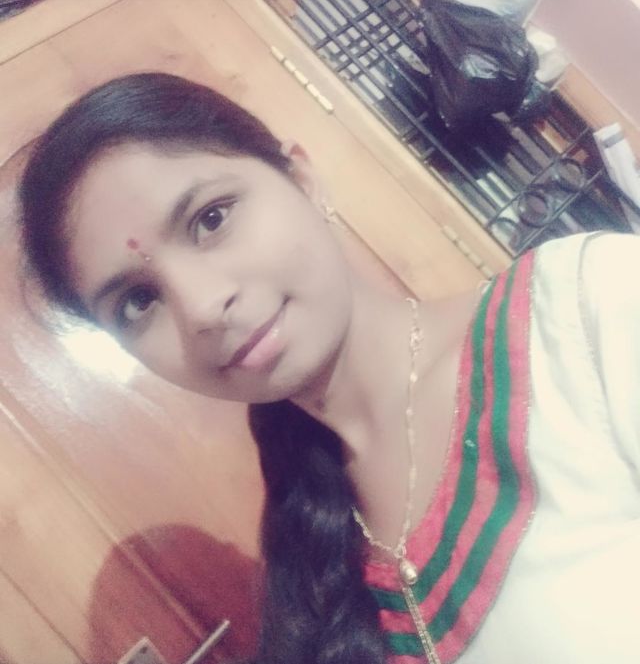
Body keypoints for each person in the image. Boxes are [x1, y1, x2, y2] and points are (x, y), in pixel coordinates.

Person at [18, 73, 640, 664]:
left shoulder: (585, 314)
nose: (202, 308)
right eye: (137, 302)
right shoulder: (314, 542)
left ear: (304, 180)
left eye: (211, 219)